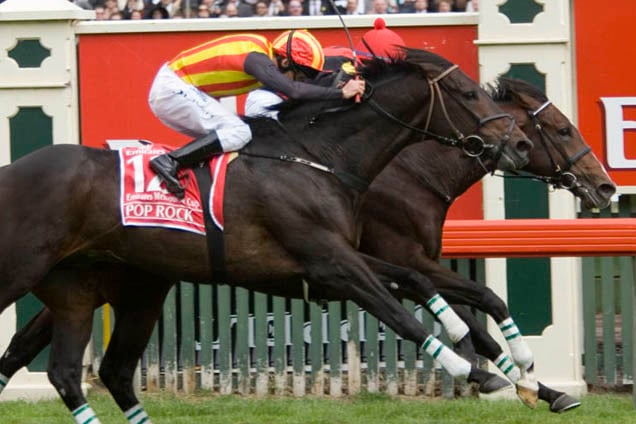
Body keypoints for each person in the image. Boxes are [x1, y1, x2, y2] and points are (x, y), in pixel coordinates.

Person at [148, 30, 366, 198]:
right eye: (301, 73)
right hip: (172, 88)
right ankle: (169, 162)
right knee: (238, 131)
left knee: (235, 138)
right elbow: (294, 91)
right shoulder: (257, 58)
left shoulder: (263, 53)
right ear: (284, 60)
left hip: (177, 88)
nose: (301, 79)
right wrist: (341, 94)